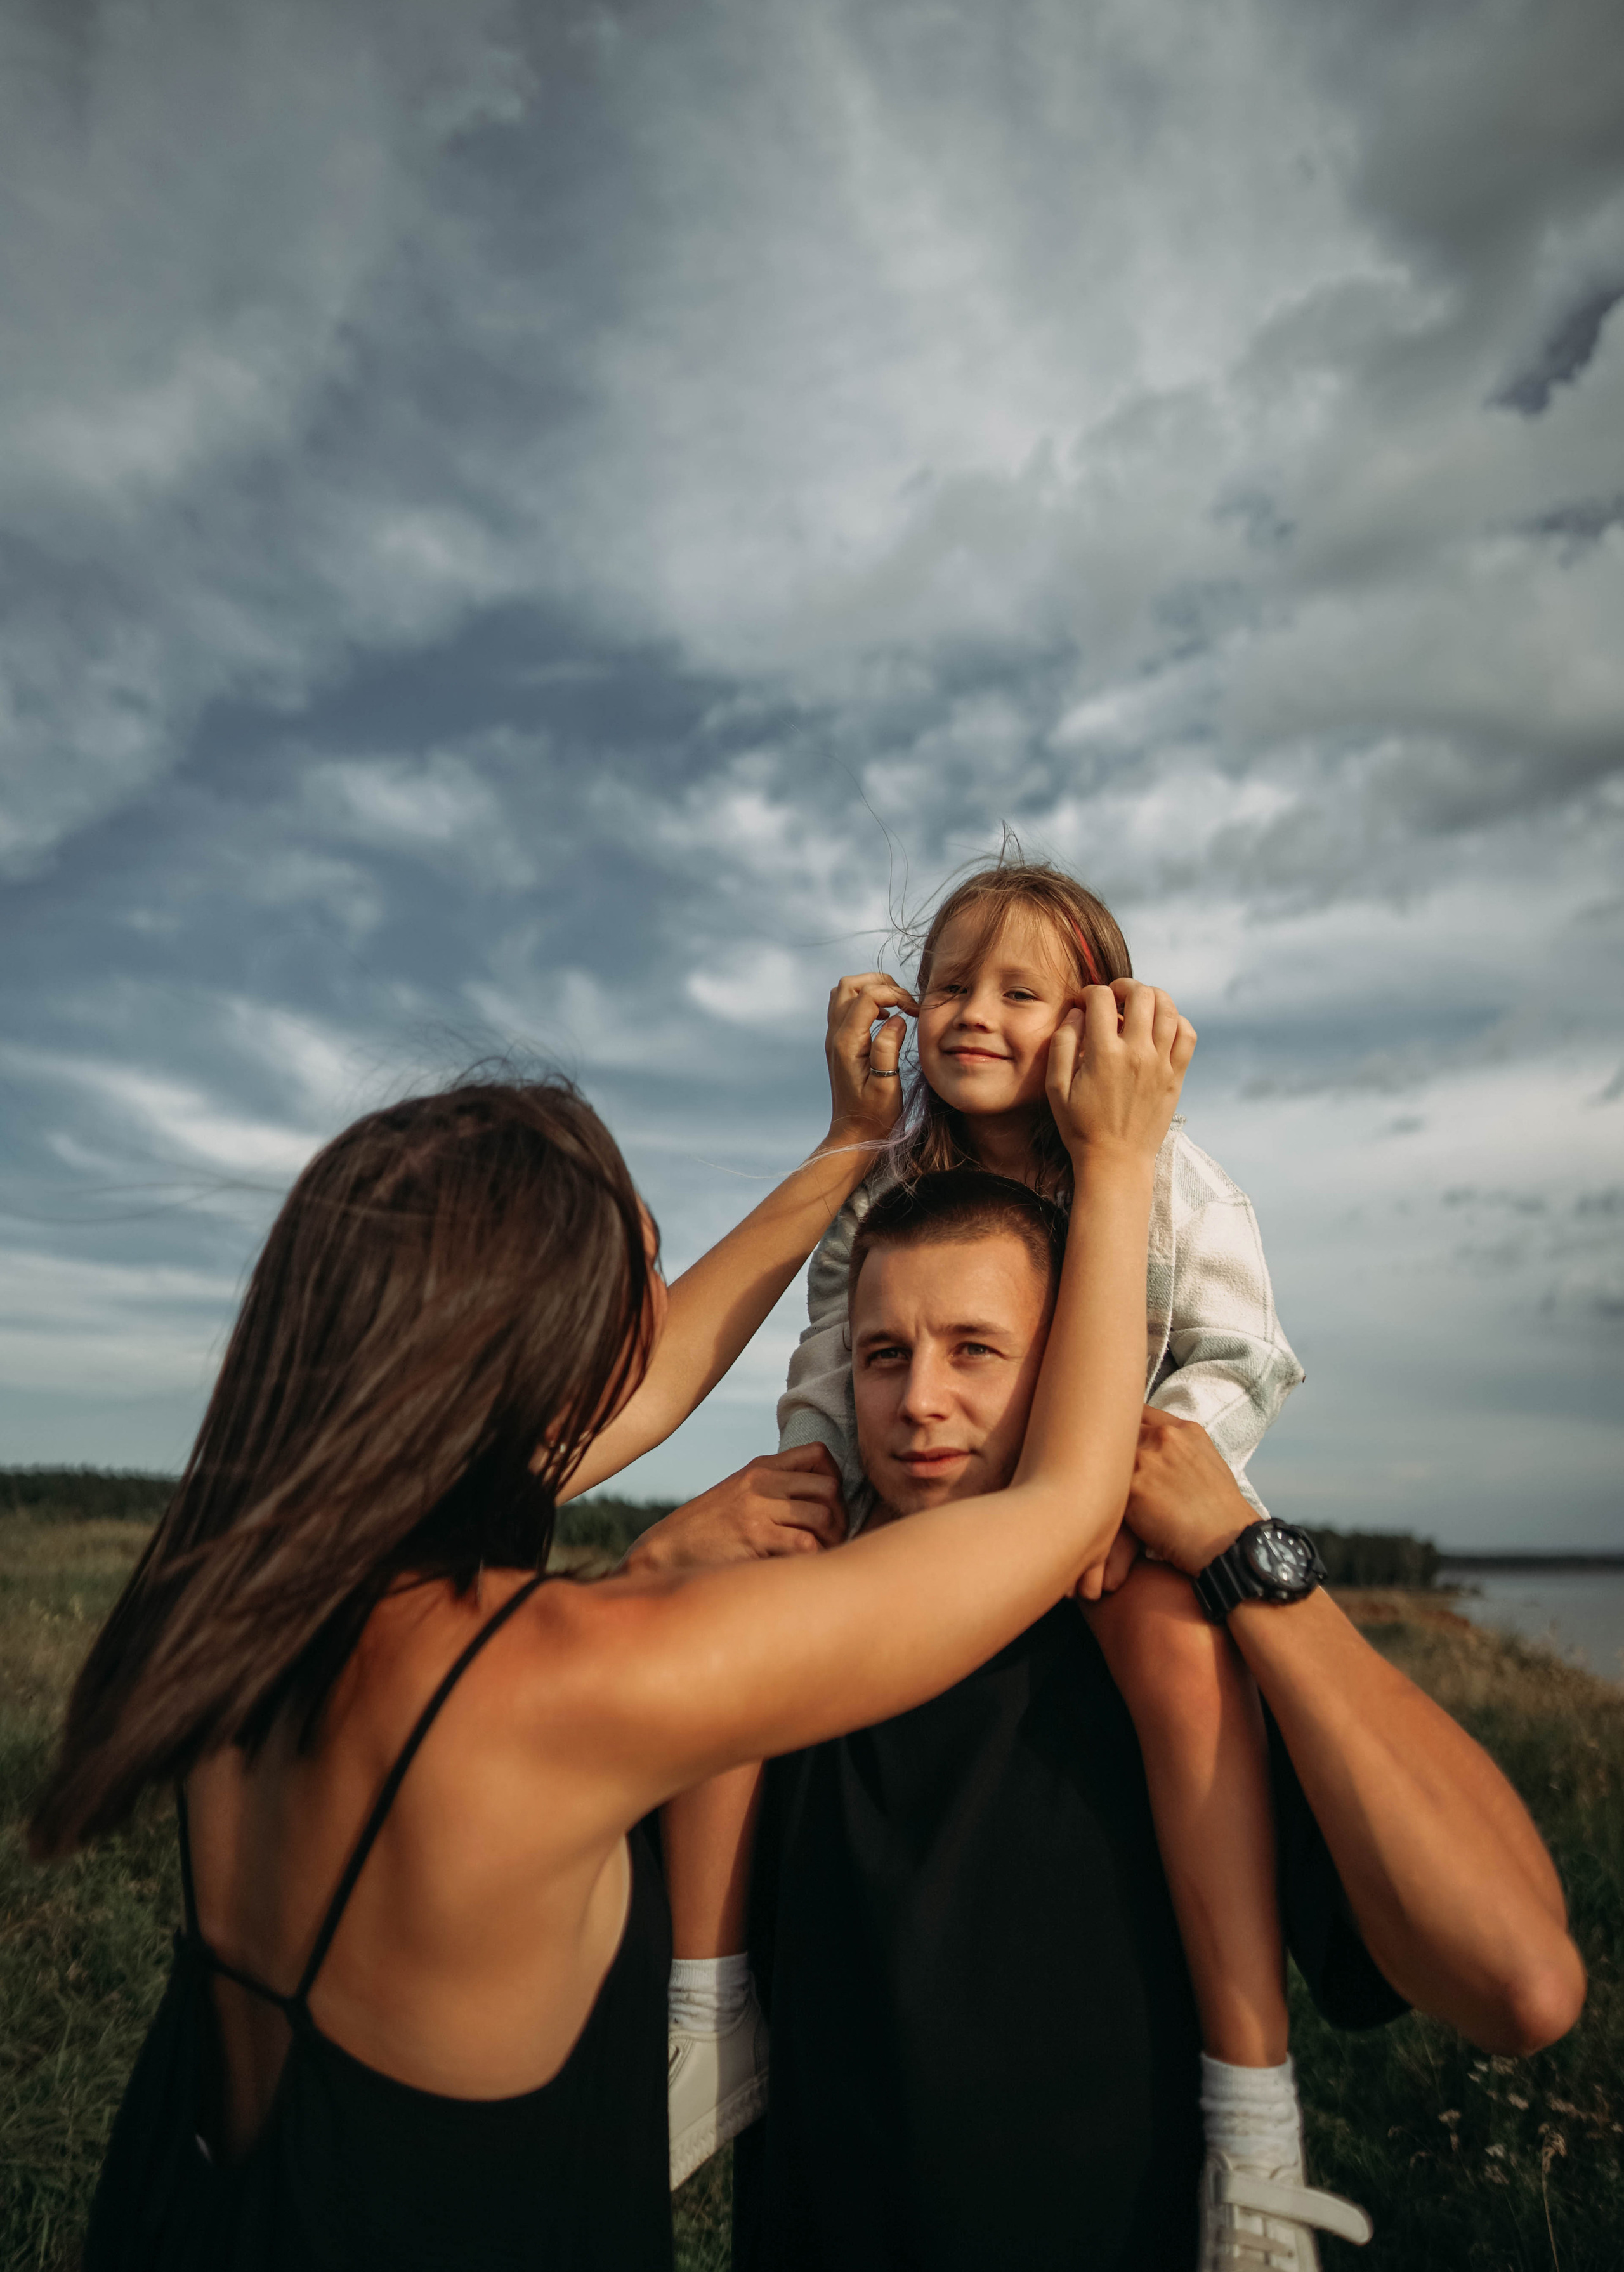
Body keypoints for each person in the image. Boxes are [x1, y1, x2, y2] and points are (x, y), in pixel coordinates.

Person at [30, 968, 1191, 2269]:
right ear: (535, 1349)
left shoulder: (238, 1577)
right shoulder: (565, 1683)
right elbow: (1060, 1505)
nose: (661, 1310)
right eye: (642, 1270)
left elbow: (638, 1386)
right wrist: (1120, 1157)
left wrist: (849, 1151)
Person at [636, 1172, 1586, 2272]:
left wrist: (1249, 1558)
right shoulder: (779, 1653)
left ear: (1070, 1373)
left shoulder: (1181, 1662)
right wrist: (650, 1572)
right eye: (884, 1355)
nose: (920, 1401)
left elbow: (1523, 1984)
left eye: (976, 1351)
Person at [653, 856, 1312, 2200]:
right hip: (928, 1513)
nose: (974, 1012)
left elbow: (1237, 1357)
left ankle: (1253, 2116)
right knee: (749, 1616)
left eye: (1022, 991)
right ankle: (707, 2005)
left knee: (1176, 1656)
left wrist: (1132, 1485)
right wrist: (818, 1477)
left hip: (1116, 1513)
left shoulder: (1166, 1173)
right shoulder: (887, 1178)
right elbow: (831, 1353)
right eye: (951, 982)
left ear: (1098, 1017)